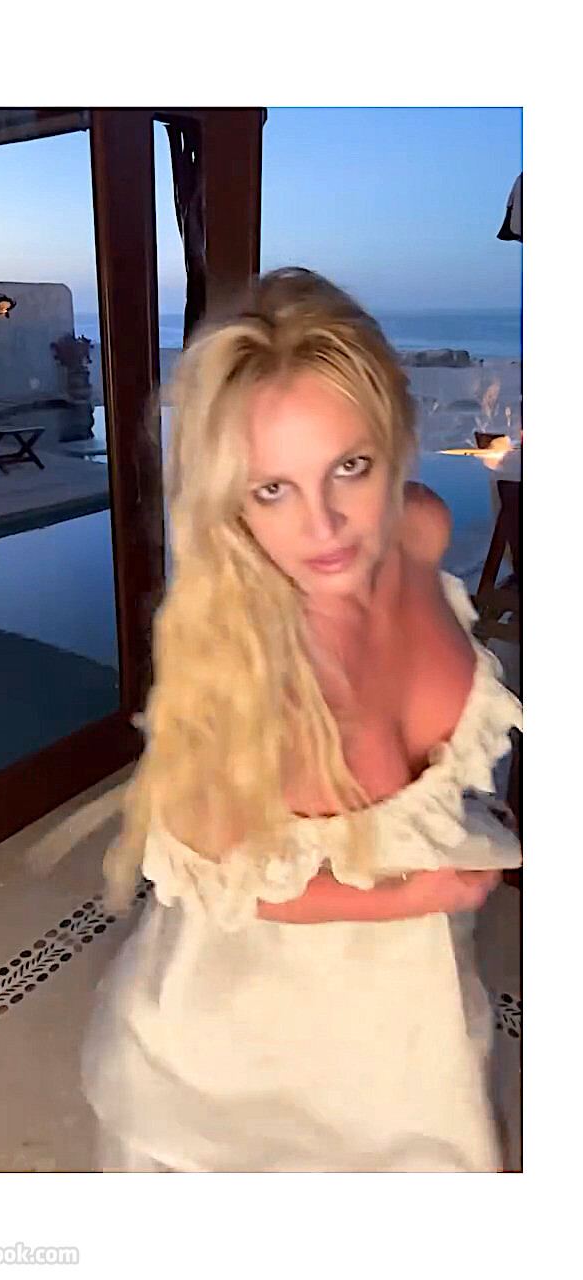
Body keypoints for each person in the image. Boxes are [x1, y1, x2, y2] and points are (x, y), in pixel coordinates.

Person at [80, 268, 522, 1173]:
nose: (324, 527)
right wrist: (420, 894)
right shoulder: (236, 676)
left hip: (412, 996)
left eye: (349, 468)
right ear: (229, 499)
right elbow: (223, 883)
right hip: (259, 1043)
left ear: (394, 439)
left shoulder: (421, 528)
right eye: (271, 489)